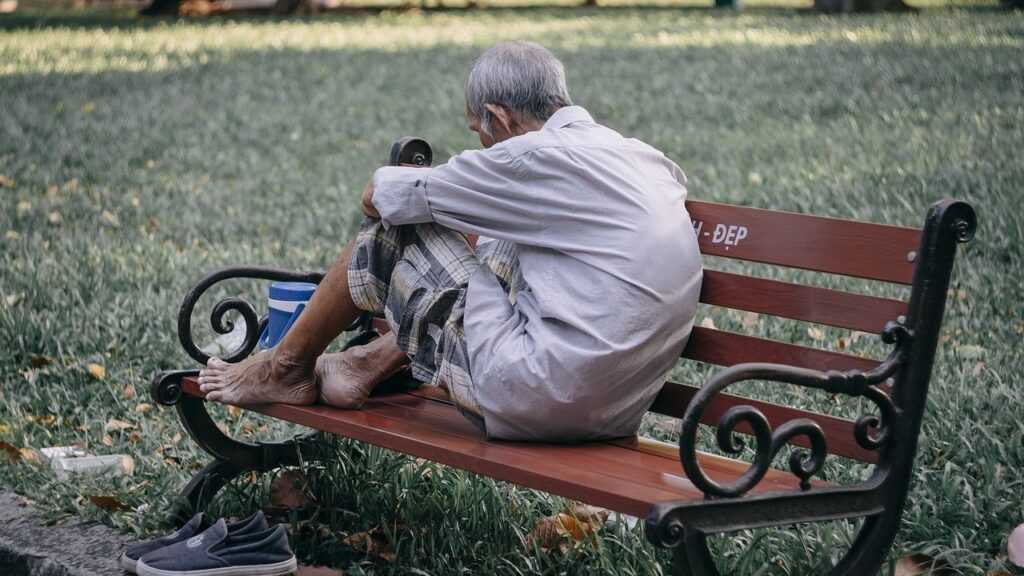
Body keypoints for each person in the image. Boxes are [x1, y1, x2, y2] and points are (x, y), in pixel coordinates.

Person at [198, 41, 702, 442]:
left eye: (477, 131)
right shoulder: (643, 158)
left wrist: (463, 204)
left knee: (389, 238)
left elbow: (380, 196)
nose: (480, 143)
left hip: (530, 398)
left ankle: (285, 368)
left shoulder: (529, 157)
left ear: (499, 118)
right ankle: (363, 363)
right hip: (613, 410)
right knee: (504, 241)